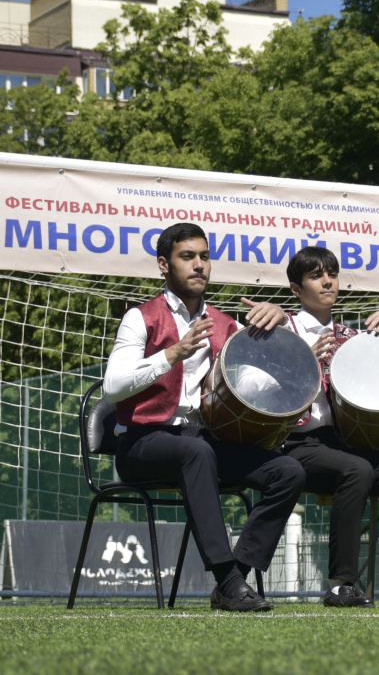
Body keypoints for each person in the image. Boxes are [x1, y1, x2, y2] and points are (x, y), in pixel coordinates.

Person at [103, 223, 306, 612]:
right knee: (197, 453)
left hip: (202, 442)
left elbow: (265, 377)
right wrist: (172, 354)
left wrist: (280, 321)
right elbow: (113, 387)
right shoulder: (140, 317)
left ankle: (234, 579)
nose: (199, 265)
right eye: (187, 256)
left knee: (288, 471)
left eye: (204, 256)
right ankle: (228, 580)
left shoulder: (226, 324)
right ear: (164, 265)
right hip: (142, 443)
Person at [282, 246, 379, 609]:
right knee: (356, 469)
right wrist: (303, 359)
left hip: (345, 445)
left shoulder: (354, 336)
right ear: (296, 289)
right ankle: (341, 585)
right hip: (296, 442)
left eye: (332, 274)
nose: (327, 281)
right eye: (316, 276)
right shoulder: (283, 330)